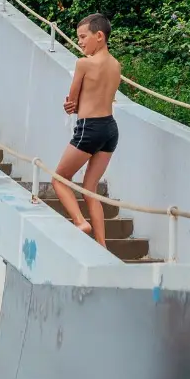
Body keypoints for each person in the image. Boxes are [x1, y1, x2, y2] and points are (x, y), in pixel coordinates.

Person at [50, 13, 121, 248]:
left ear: (99, 36)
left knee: (59, 179)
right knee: (90, 188)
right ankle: (102, 245)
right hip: (110, 129)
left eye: (83, 37)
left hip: (89, 128)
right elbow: (100, 97)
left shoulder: (84, 63)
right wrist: (77, 105)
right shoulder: (116, 65)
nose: (79, 42)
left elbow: (73, 101)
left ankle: (81, 222)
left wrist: (69, 105)